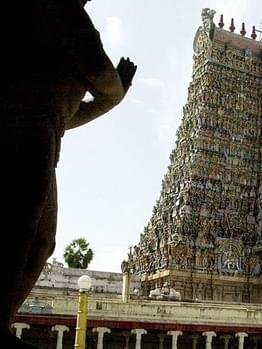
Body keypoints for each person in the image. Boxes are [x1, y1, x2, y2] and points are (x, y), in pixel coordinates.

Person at [0, 1, 136, 347]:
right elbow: (109, 86)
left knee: (37, 239)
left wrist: (57, 120)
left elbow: (71, 115)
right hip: (31, 132)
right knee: (24, 231)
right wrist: (118, 87)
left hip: (44, 129)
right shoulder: (63, 12)